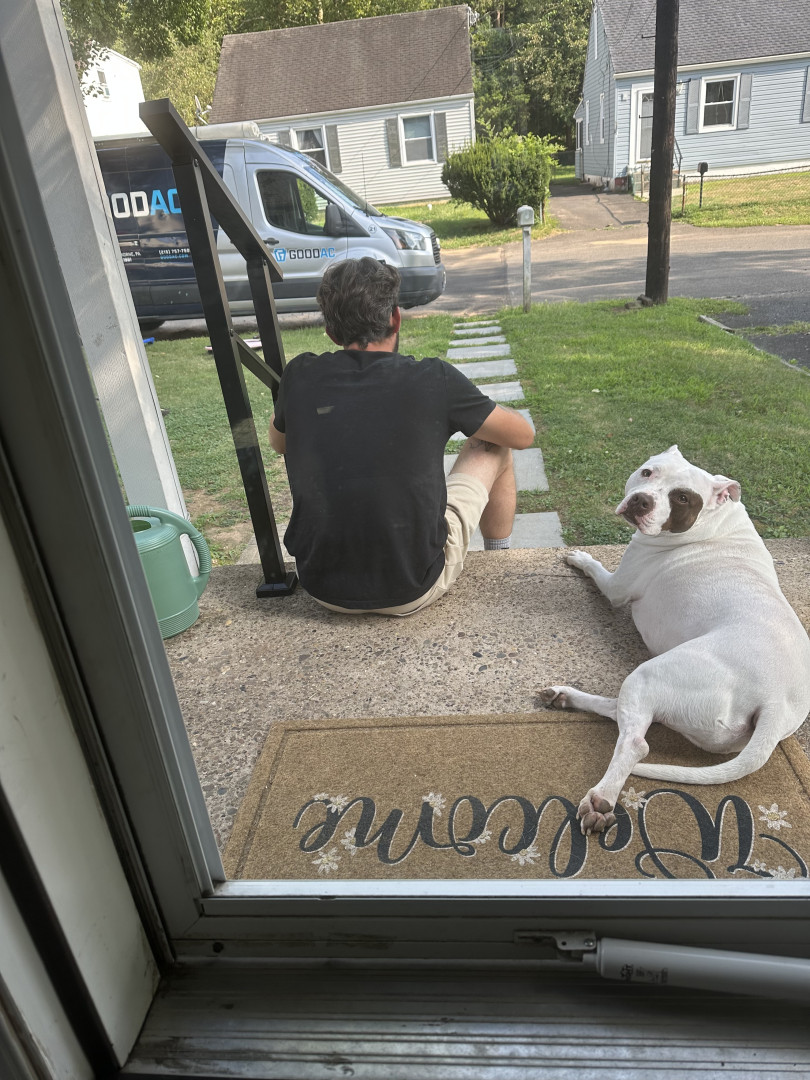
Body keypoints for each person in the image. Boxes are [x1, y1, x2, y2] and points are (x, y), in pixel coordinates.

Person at [269, 257, 534, 615]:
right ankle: (499, 560)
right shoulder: (433, 378)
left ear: (331, 333)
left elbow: (279, 443)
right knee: (495, 446)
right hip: (412, 586)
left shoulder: (299, 374)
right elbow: (522, 436)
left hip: (321, 586)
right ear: (395, 317)